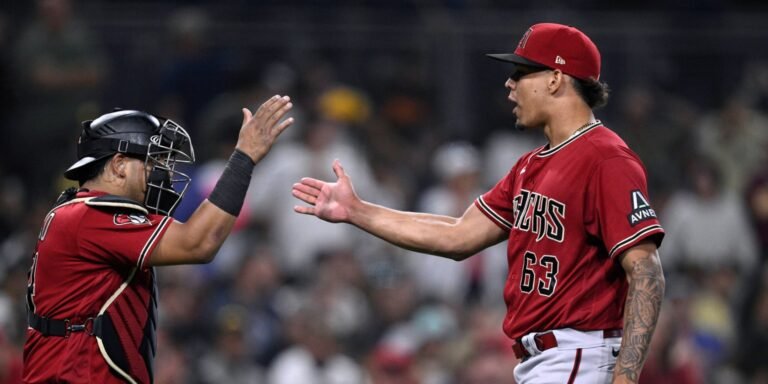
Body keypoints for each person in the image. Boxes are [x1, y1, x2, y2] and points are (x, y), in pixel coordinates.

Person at [293, 22, 666, 384]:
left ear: (555, 78)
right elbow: (458, 235)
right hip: (546, 360)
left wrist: (626, 378)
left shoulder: (605, 158)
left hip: (579, 355)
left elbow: (646, 270)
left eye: (521, 73)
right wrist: (358, 211)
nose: (509, 84)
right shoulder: (530, 165)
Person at [23, 95, 294, 383]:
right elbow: (198, 243)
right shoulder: (92, 215)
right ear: (118, 165)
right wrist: (244, 157)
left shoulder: (79, 214)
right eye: (153, 161)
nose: (162, 173)